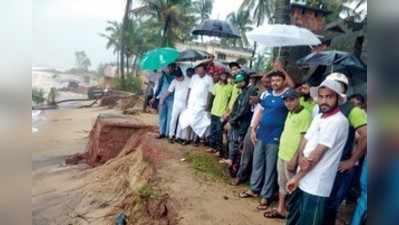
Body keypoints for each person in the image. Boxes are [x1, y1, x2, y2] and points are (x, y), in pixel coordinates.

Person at [285, 79, 349, 225]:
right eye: (321, 96)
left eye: (329, 96)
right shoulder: (319, 117)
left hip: (317, 185)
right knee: (293, 219)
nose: (324, 100)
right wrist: (300, 157)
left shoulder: (338, 121)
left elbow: (317, 154)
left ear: (338, 98)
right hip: (304, 178)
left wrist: (297, 176)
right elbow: (306, 139)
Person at [317, 73, 368, 225]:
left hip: (339, 165)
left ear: (342, 89)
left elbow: (366, 135)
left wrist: (352, 161)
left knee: (330, 204)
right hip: (321, 162)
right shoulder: (324, 107)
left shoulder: (353, 110)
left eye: (335, 84)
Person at [239, 71, 291, 211]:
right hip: (261, 134)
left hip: (275, 137)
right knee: (257, 162)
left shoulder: (287, 96)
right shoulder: (266, 95)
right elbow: (259, 111)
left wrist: (282, 70)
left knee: (270, 167)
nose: (275, 83)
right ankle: (254, 188)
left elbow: (292, 89)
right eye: (273, 80)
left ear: (283, 81)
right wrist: (253, 129)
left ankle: (266, 196)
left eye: (278, 80)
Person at [263, 88, 312, 219]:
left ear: (298, 99)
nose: (289, 103)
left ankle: (293, 215)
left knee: (293, 186)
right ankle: (281, 209)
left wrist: (295, 158)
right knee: (282, 183)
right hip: (282, 153)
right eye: (286, 100)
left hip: (292, 157)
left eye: (292, 100)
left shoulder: (305, 114)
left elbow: (304, 139)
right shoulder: (290, 113)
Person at [232, 74, 271, 186]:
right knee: (246, 152)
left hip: (263, 128)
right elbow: (254, 110)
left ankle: (254, 181)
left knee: (258, 157)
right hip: (252, 126)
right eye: (263, 82)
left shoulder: (272, 96)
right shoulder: (263, 93)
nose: (265, 84)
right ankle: (241, 176)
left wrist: (258, 101)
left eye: (267, 82)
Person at [219, 72, 257, 177]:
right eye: (236, 81)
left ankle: (239, 172)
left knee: (240, 147)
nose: (237, 83)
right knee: (232, 142)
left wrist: (231, 121)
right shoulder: (241, 92)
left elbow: (244, 110)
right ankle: (231, 162)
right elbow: (236, 108)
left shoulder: (251, 90)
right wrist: (228, 118)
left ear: (245, 80)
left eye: (239, 81)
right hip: (237, 123)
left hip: (244, 124)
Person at [179, 63, 214, 144]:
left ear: (205, 70)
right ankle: (187, 139)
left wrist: (208, 104)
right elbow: (189, 89)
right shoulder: (194, 77)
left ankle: (196, 139)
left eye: (201, 71)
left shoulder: (209, 79)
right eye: (198, 70)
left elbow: (210, 93)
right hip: (191, 102)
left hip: (201, 104)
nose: (199, 72)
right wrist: (187, 100)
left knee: (198, 122)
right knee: (188, 120)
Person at [160, 67, 190, 143]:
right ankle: (171, 135)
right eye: (176, 77)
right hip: (176, 104)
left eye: (178, 77)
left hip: (185, 105)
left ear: (181, 75)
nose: (177, 79)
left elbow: (191, 91)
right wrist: (163, 98)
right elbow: (169, 91)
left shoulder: (188, 80)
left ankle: (178, 136)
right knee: (173, 119)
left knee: (181, 121)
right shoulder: (174, 81)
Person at [207, 71, 233, 154]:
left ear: (227, 77)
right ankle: (212, 147)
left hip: (222, 113)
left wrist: (227, 112)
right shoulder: (216, 86)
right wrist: (209, 109)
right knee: (212, 130)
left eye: (225, 76)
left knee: (219, 131)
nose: (223, 77)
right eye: (222, 75)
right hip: (214, 111)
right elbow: (212, 98)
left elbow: (230, 100)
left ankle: (219, 149)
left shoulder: (230, 87)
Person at [151, 63, 176, 139]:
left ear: (174, 68)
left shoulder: (175, 76)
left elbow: (171, 82)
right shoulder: (163, 76)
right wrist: (154, 97)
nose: (170, 69)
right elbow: (159, 86)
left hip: (171, 99)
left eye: (171, 68)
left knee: (170, 116)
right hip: (162, 98)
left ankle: (168, 134)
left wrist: (165, 74)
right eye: (169, 67)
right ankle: (161, 132)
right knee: (162, 116)